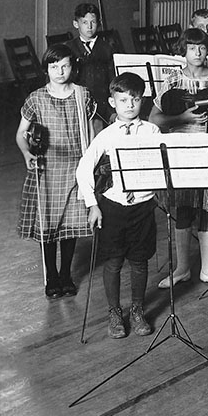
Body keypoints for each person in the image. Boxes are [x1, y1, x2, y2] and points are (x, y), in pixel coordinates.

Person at [76, 73, 159, 338]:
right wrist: (93, 205)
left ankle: (137, 309)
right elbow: (84, 168)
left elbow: (162, 166)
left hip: (143, 206)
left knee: (139, 261)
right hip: (113, 206)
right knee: (113, 261)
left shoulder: (152, 131)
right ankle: (114, 312)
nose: (130, 105)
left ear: (142, 100)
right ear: (112, 102)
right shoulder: (107, 135)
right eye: (123, 100)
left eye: (135, 99)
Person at [149, 28, 208, 288]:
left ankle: (207, 268)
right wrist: (181, 119)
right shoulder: (171, 81)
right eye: (192, 47)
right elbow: (154, 120)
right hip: (180, 150)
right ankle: (182, 268)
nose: (197, 52)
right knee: (183, 209)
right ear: (183, 50)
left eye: (202, 47)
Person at [16, 44, 94, 298]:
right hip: (47, 168)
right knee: (49, 225)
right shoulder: (36, 98)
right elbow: (21, 134)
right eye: (53, 66)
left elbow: (91, 131)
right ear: (46, 69)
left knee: (70, 224)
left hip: (75, 168)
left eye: (65, 66)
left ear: (73, 67)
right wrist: (27, 152)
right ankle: (51, 276)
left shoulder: (83, 94)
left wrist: (91, 160)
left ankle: (66, 274)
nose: (60, 71)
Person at [66, 3, 114, 124]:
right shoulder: (69, 48)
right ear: (76, 24)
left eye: (93, 22)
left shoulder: (107, 47)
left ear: (99, 23)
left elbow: (112, 78)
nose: (89, 26)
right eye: (85, 22)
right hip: (77, 104)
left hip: (102, 104)